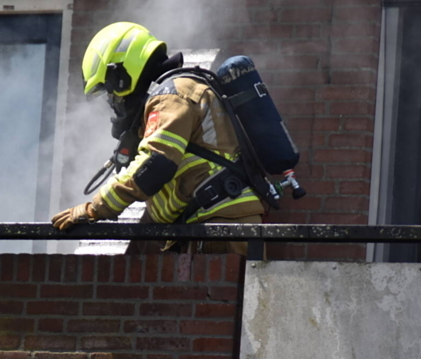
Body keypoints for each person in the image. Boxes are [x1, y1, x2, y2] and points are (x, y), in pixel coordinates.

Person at [51, 22, 265, 254]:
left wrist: (95, 208)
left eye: (110, 90)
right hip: (209, 224)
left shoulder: (172, 95)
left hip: (221, 229)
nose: (112, 101)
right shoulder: (170, 93)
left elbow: (156, 163)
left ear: (122, 75)